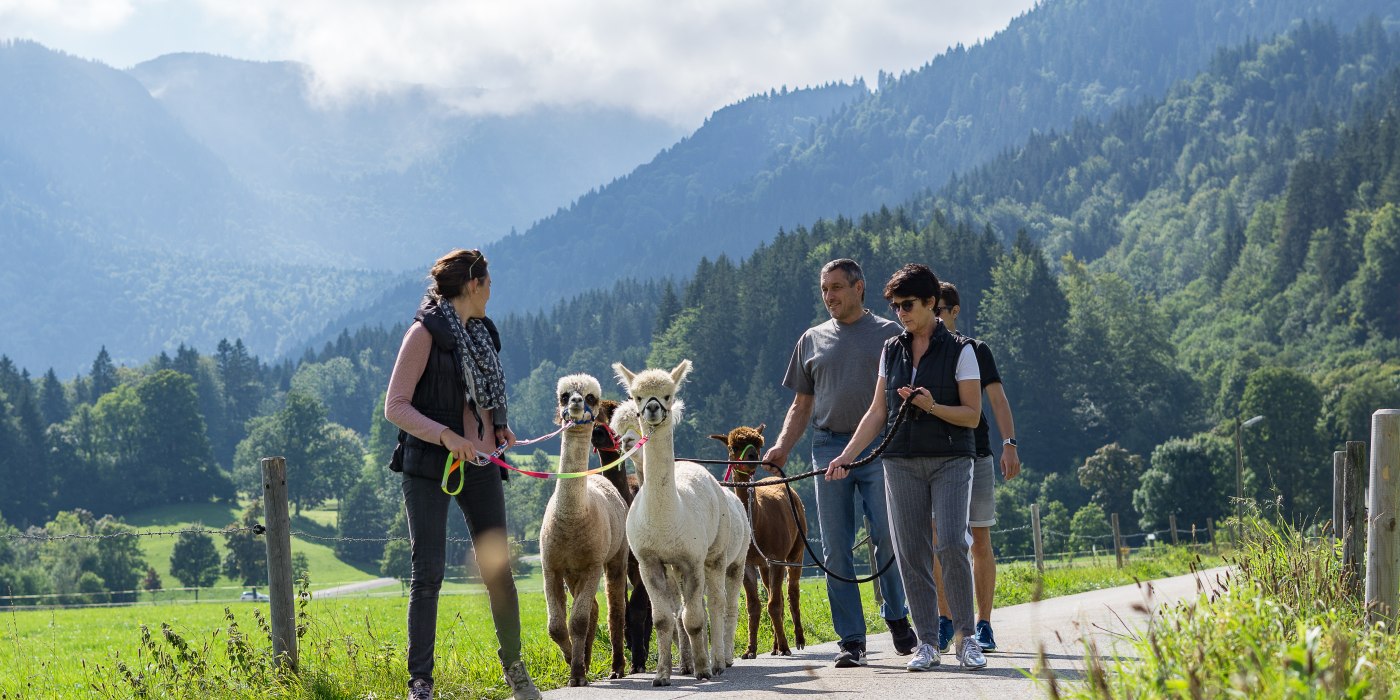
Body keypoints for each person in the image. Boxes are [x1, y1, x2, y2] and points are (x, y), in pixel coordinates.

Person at [384, 249, 541, 700]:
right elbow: (395, 406)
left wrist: (497, 425)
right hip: (429, 467)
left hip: (482, 465)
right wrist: (446, 436)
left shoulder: (481, 334)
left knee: (499, 573)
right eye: (488, 282)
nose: (492, 290)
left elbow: (483, 394)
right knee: (428, 572)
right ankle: (421, 683)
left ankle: (515, 668)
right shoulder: (423, 334)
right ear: (473, 285)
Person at [827, 263, 987, 672]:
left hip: (951, 459)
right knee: (910, 552)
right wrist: (847, 455)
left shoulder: (962, 350)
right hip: (899, 462)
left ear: (932, 303)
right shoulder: (891, 349)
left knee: (951, 543)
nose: (902, 313)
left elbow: (971, 415)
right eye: (896, 306)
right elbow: (878, 412)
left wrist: (931, 406)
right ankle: (928, 642)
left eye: (909, 304)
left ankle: (967, 638)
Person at [762, 258, 917, 668]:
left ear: (859, 287)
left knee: (888, 534)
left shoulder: (891, 335)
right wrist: (781, 447)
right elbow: (801, 404)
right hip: (828, 447)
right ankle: (851, 639)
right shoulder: (811, 339)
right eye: (824, 289)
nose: (829, 296)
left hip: (881, 448)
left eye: (836, 288)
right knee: (835, 549)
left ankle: (897, 616)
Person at [929, 281, 1020, 654]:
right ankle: (945, 619)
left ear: (955, 311)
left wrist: (1009, 444)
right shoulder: (917, 350)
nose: (936, 316)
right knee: (938, 540)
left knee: (979, 539)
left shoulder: (976, 350)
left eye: (942, 309)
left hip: (977, 453)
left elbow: (997, 400)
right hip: (933, 456)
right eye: (931, 308)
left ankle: (983, 623)